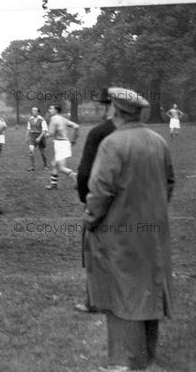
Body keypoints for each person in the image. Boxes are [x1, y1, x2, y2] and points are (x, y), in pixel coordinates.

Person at [83, 87, 174, 370]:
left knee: (122, 294)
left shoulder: (113, 143)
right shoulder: (158, 141)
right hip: (152, 232)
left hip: (120, 235)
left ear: (115, 110)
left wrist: (90, 219)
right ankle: (146, 357)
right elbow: (169, 183)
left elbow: (100, 191)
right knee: (148, 289)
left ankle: (124, 363)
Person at [73, 88, 116, 314]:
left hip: (101, 201)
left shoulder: (99, 133)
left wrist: (85, 199)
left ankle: (94, 300)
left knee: (93, 251)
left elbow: (84, 173)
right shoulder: (140, 134)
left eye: (101, 104)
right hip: (131, 203)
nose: (97, 108)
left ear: (109, 106)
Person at [45, 104, 79, 190]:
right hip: (64, 143)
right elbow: (76, 126)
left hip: (60, 144)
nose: (49, 110)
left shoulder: (54, 118)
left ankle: (78, 178)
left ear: (56, 110)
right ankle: (53, 185)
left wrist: (44, 135)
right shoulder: (63, 119)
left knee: (61, 168)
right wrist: (74, 140)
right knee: (54, 164)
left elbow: (51, 133)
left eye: (50, 108)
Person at [25, 107, 48, 171]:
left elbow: (44, 130)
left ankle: (45, 165)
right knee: (31, 151)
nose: (33, 112)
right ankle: (32, 166)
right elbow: (28, 129)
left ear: (38, 112)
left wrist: (39, 138)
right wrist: (26, 137)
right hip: (32, 136)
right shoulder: (30, 119)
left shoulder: (42, 120)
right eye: (32, 110)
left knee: (42, 153)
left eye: (34, 110)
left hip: (40, 136)